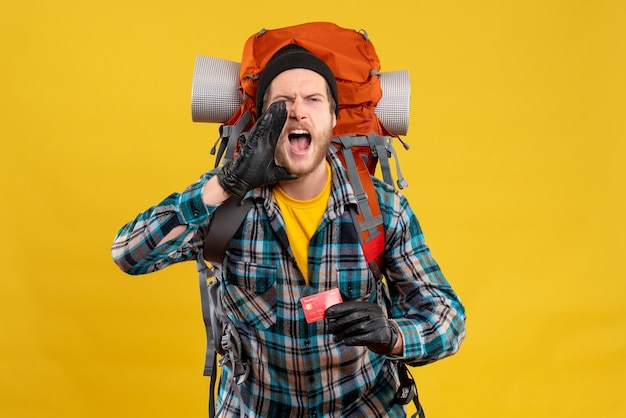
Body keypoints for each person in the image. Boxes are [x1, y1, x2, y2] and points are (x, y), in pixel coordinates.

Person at [112, 43, 466, 417]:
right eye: (283, 101)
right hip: (255, 407)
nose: (297, 110)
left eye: (313, 99)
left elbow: (448, 319)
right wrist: (225, 184)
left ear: (332, 118)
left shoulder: (382, 210)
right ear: (264, 121)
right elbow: (129, 254)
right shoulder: (227, 203)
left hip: (363, 407)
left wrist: (394, 336)